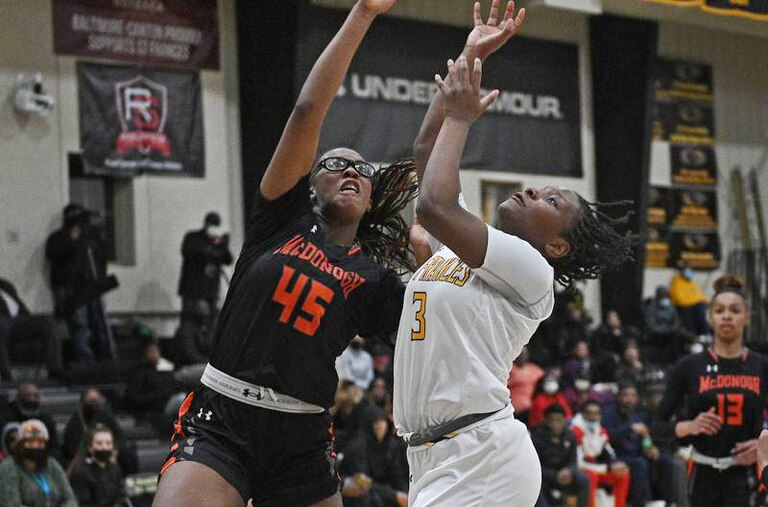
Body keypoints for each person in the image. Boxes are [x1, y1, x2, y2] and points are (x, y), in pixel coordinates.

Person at [153, 1, 418, 505]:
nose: (352, 173)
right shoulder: (279, 221)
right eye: (337, 163)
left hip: (303, 436)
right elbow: (307, 112)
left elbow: (431, 331)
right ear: (311, 185)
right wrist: (362, 13)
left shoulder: (373, 278)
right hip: (223, 419)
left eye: (363, 171)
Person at [393, 2, 634, 505]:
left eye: (551, 200)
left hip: (483, 457)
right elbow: (425, 150)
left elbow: (434, 205)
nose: (531, 191)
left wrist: (463, 115)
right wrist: (470, 55)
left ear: (558, 245)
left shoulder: (533, 271)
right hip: (432, 456)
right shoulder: (463, 251)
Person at [656, 274, 768, 506]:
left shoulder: (761, 366)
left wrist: (761, 445)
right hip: (701, 471)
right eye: (719, 310)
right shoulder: (688, 366)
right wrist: (687, 427)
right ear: (710, 317)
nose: (727, 316)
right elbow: (656, 425)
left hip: (745, 474)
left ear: (747, 317)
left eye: (735, 310)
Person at [45, 203, 113, 361]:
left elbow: (101, 258)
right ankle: (85, 358)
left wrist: (101, 279)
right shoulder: (58, 237)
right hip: (70, 286)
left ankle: (107, 355)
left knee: (99, 320)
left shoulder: (92, 235)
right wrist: (71, 241)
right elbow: (53, 255)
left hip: (91, 284)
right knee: (79, 323)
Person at [602, 384, 677, 507]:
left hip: (636, 454)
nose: (630, 399)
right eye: (626, 395)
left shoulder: (636, 415)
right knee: (640, 464)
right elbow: (607, 436)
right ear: (619, 397)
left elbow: (644, 438)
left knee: (665, 460)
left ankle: (667, 502)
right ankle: (641, 503)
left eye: (633, 396)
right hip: (617, 455)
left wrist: (650, 448)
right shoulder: (608, 413)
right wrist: (629, 428)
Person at [177, 211, 234, 334]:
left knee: (211, 327)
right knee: (191, 325)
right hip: (193, 291)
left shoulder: (217, 242)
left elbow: (228, 259)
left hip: (211, 292)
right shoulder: (193, 238)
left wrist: (223, 244)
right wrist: (212, 248)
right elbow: (190, 252)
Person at [0, 419, 77, 506]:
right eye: (29, 442)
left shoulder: (52, 464)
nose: (35, 446)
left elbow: (70, 499)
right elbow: (11, 504)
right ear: (20, 445)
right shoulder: (8, 467)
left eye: (40, 442)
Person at [0, 277, 65, 381]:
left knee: (48, 321)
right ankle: (5, 375)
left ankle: (54, 370)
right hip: (2, 325)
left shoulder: (5, 286)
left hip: (17, 323)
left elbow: (24, 312)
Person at [571, 400, 630, 507]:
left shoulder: (601, 430)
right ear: (583, 414)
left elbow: (609, 453)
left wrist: (614, 464)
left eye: (596, 413)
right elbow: (579, 463)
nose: (593, 417)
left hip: (595, 467)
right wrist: (606, 468)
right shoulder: (575, 431)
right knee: (591, 476)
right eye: (589, 413)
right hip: (577, 469)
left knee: (622, 473)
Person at [532, 403, 590, 507]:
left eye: (559, 420)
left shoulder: (570, 435)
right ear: (545, 421)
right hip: (544, 477)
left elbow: (573, 461)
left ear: (565, 420)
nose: (555, 424)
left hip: (564, 475)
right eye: (551, 420)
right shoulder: (537, 437)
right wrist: (555, 475)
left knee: (584, 480)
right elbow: (534, 467)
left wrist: (569, 471)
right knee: (535, 487)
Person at [68, 424, 128, 507]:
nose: (104, 447)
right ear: (90, 447)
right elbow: (82, 503)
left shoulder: (115, 468)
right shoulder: (80, 472)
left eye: (108, 443)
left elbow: (121, 497)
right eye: (99, 443)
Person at [0, 383, 59, 458]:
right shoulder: (5, 417)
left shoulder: (45, 419)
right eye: (28, 396)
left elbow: (54, 446)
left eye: (36, 396)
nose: (32, 399)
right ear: (18, 397)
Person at [507, 345, 545, 425]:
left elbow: (546, 379)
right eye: (520, 353)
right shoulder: (509, 369)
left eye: (524, 353)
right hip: (513, 411)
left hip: (531, 410)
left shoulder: (534, 369)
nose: (522, 355)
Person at [669, 262, 709, 336]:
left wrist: (701, 301)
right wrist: (695, 301)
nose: (690, 273)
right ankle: (692, 335)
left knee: (702, 312)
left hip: (694, 305)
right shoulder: (677, 281)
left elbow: (700, 295)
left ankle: (704, 334)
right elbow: (679, 299)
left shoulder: (691, 283)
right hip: (683, 307)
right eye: (687, 271)